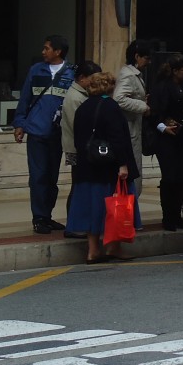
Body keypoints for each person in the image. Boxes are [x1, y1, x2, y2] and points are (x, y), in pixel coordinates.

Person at [67, 71, 138, 263]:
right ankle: (114, 247)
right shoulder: (110, 107)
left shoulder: (83, 108)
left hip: (88, 167)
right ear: (109, 87)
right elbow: (117, 138)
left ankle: (93, 251)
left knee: (93, 209)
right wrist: (123, 165)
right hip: (108, 168)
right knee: (114, 209)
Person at [12, 34, 76, 235]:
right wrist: (19, 124)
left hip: (58, 133)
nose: (43, 51)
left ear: (58, 51)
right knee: (38, 176)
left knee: (51, 177)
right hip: (37, 131)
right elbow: (25, 98)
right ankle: (39, 218)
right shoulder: (36, 70)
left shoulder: (71, 72)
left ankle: (47, 216)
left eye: (47, 48)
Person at [149, 54, 183, 230]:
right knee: (169, 178)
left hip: (181, 138)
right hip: (166, 139)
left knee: (181, 178)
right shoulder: (162, 88)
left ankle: (177, 215)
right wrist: (163, 127)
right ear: (174, 71)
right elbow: (154, 114)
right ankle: (168, 217)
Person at [61, 60, 101, 238]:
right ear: (82, 78)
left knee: (79, 185)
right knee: (78, 186)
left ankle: (77, 223)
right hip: (77, 150)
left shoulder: (82, 94)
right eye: (92, 79)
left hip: (80, 148)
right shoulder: (76, 97)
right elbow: (79, 126)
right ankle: (73, 225)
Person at [113, 39, 151, 203]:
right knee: (133, 173)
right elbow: (119, 98)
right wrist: (142, 106)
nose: (148, 62)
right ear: (137, 56)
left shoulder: (135, 75)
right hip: (130, 131)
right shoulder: (128, 75)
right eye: (146, 58)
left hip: (134, 129)